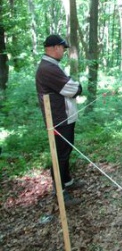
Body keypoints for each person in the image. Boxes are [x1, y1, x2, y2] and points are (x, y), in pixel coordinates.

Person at [35, 34, 83, 207]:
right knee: (60, 156)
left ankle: (67, 181)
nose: (63, 51)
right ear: (55, 47)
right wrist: (78, 87)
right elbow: (72, 88)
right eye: (62, 48)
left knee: (65, 152)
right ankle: (60, 191)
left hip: (63, 117)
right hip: (58, 119)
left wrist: (74, 86)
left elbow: (68, 87)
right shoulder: (48, 68)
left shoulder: (52, 66)